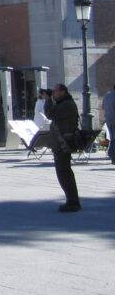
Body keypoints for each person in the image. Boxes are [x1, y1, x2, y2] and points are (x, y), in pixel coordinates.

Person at [44, 83, 81, 212]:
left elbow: (50, 113)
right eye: (52, 92)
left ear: (63, 92)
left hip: (63, 144)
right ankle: (72, 200)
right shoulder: (63, 103)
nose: (53, 94)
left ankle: (73, 202)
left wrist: (48, 100)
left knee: (64, 173)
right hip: (60, 143)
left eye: (55, 91)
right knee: (64, 172)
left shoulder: (67, 105)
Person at [101, 83, 115, 166]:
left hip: (109, 120)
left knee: (112, 138)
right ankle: (112, 154)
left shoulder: (107, 95)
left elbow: (103, 107)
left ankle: (112, 155)